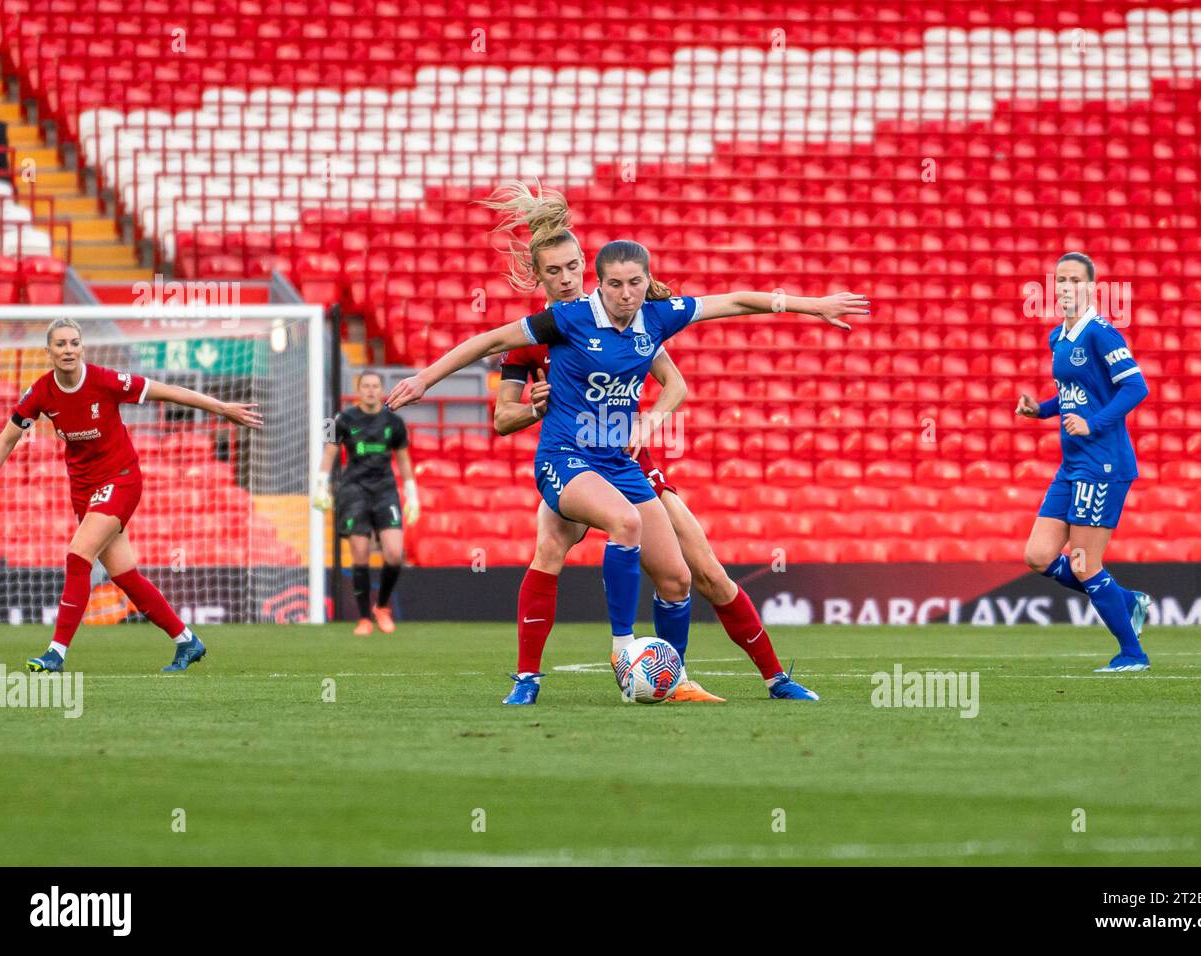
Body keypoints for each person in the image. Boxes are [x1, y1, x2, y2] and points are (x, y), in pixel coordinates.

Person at [388, 238, 868, 705]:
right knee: (606, 529)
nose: (623, 292)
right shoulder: (563, 321)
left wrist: (811, 305)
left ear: (640, 280)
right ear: (598, 284)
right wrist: (425, 379)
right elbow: (492, 353)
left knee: (682, 577)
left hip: (622, 460)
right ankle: (597, 656)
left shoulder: (655, 319)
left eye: (633, 283)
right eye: (613, 283)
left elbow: (736, 303)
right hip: (567, 457)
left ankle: (679, 678)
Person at [487, 182, 822, 704]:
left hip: (632, 459)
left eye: (574, 267)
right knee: (550, 547)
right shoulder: (537, 338)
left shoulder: (624, 314)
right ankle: (528, 678)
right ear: (539, 278)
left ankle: (759, 676)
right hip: (574, 457)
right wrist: (532, 407)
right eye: (555, 272)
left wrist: (650, 423)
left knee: (700, 572)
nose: (568, 279)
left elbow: (675, 380)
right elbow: (503, 419)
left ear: (586, 267)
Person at [0, 317, 262, 672]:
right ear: (48, 351)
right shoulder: (40, 392)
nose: (68, 350)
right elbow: (7, 437)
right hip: (82, 488)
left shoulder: (105, 380)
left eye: (74, 343)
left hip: (121, 478)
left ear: (82, 347)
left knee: (77, 555)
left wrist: (221, 408)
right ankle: (187, 640)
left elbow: (166, 390)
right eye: (61, 344)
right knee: (124, 575)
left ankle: (56, 653)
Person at [1017, 251, 1152, 672]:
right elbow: (1075, 395)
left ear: (1092, 288)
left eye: (1074, 281)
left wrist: (1092, 424)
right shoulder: (1058, 337)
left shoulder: (1102, 334)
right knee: (1038, 556)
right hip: (1071, 465)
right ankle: (1126, 598)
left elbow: (1135, 388)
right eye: (1060, 280)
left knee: (1083, 563)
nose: (1065, 288)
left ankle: (1133, 654)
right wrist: (1040, 410)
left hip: (1103, 463)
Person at [312, 370, 419, 635]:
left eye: (375, 386)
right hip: (354, 490)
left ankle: (381, 606)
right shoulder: (342, 419)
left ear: (382, 390)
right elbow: (330, 453)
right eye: (366, 386)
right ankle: (363, 618)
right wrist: (321, 486)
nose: (371, 390)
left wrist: (412, 492)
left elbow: (403, 459)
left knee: (394, 553)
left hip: (385, 489)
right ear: (358, 390)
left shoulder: (394, 421)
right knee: (359, 554)